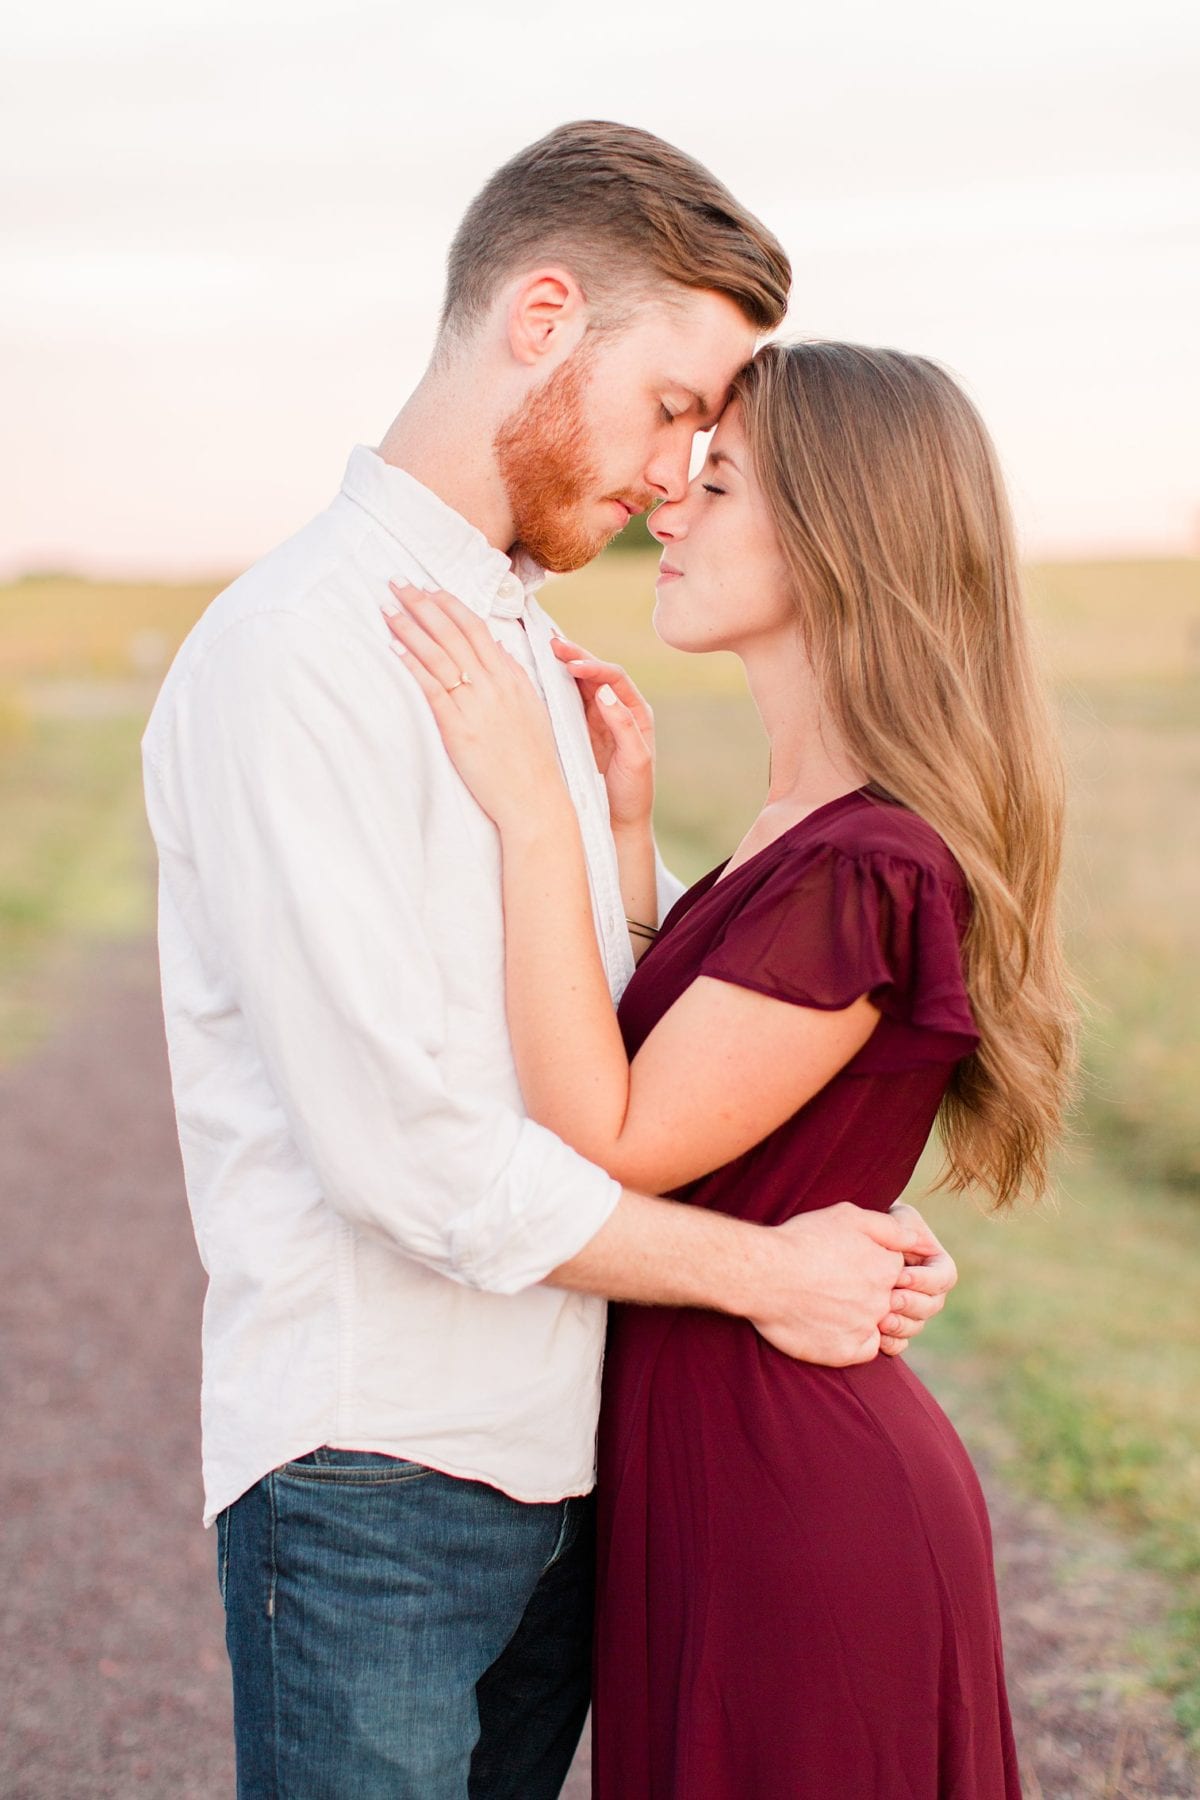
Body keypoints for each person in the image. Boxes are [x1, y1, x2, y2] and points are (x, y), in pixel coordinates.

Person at [142, 123, 958, 1798]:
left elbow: (615, 1042)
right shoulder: (308, 649)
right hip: (379, 1474)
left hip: (566, 1465)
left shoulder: (519, 638)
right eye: (671, 408)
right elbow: (411, 1160)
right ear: (541, 315)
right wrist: (768, 1270)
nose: (677, 475)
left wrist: (829, 1190)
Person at [385, 338, 1078, 1797]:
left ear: (843, 537)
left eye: (721, 480)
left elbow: (616, 1137)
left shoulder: (867, 859)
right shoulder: (798, 825)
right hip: (725, 1472)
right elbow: (699, 1085)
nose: (667, 508)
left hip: (793, 1498)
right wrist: (628, 845)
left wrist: (528, 813)